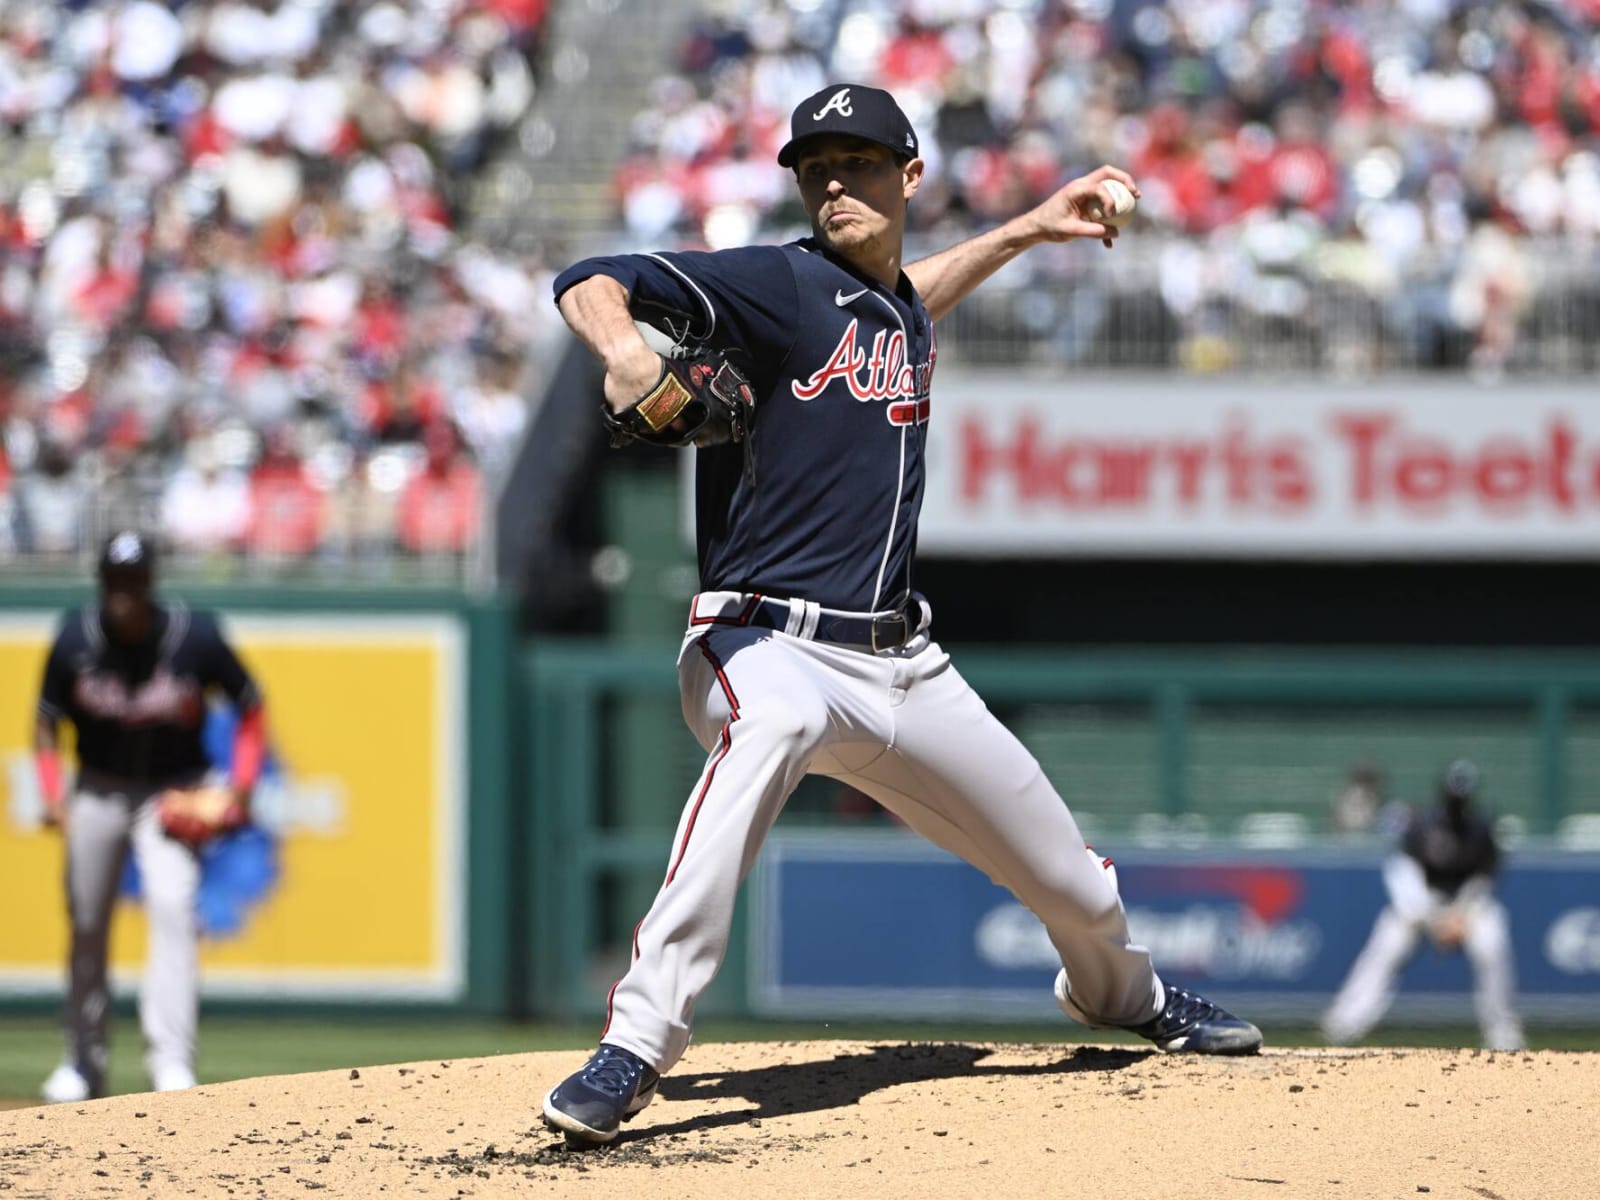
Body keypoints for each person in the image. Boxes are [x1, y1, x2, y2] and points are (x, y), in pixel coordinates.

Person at [541, 83, 1262, 1147]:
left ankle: (1121, 996)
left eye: (861, 161)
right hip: (762, 641)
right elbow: (586, 276)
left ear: (909, 175)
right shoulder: (776, 285)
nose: (836, 181)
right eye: (816, 166)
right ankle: (638, 1043)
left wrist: (1024, 229)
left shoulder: (892, 307)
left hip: (903, 665)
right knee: (774, 728)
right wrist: (624, 350)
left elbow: (910, 297)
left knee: (1067, 875)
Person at [35, 531, 268, 1102]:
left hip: (172, 792)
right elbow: (45, 721)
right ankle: (83, 1063)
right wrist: (50, 792)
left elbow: (251, 706)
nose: (124, 595)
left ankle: (171, 1064)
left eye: (133, 583)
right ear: (102, 584)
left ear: (150, 584)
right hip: (98, 789)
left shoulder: (196, 638)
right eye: (115, 583)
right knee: (87, 921)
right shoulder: (75, 639)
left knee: (173, 908)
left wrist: (238, 786)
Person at [1321, 759, 1524, 1051]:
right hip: (1421, 905)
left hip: (1466, 908)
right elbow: (1404, 876)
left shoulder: (1482, 830)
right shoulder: (1420, 824)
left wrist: (1460, 916)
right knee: (1388, 942)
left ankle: (1503, 1033)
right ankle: (1343, 1024)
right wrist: (1432, 918)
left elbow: (1483, 881)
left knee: (1492, 941)